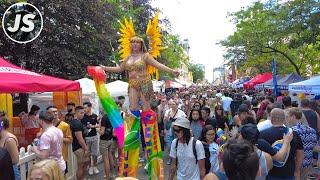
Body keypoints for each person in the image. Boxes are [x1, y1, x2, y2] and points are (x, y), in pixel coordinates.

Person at [258, 108, 304, 180]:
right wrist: (297, 171)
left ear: (271, 118)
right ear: (284, 119)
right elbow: (300, 153)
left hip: (271, 173)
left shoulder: (263, 134)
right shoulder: (293, 133)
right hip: (289, 171)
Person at [286, 107, 317, 179]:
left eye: (288, 117)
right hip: (308, 162)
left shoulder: (292, 131)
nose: (287, 119)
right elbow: (314, 146)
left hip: (296, 163)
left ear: (293, 116)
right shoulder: (311, 130)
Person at [47, 106, 73, 174]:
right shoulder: (46, 126)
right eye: (52, 112)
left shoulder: (65, 125)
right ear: (48, 114)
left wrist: (59, 137)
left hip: (61, 157)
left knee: (62, 176)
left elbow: (70, 140)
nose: (55, 113)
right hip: (49, 157)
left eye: (56, 111)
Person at [164, 99, 186, 165]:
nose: (172, 106)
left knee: (177, 144)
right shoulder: (168, 111)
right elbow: (165, 120)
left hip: (177, 131)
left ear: (177, 105)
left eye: (174, 104)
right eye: (171, 104)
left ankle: (177, 159)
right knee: (170, 145)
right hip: (169, 130)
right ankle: (171, 158)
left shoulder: (181, 112)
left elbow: (185, 120)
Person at [70, 106, 89, 180]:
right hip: (79, 147)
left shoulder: (77, 122)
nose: (83, 114)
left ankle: (83, 178)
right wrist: (86, 149)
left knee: (86, 162)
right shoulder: (76, 123)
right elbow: (80, 139)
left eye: (83, 113)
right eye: (81, 113)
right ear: (76, 113)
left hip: (79, 146)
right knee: (81, 166)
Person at [82, 102, 100, 175]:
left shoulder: (95, 116)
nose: (84, 109)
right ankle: (90, 167)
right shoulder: (83, 117)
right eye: (84, 108)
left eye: (85, 107)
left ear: (90, 107)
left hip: (94, 137)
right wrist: (86, 128)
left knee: (94, 153)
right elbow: (81, 126)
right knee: (88, 154)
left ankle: (95, 166)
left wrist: (93, 126)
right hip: (86, 138)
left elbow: (99, 124)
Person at [99, 114, 116, 179]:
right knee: (110, 156)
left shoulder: (104, 117)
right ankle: (112, 174)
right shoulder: (112, 116)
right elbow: (113, 131)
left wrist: (97, 129)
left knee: (105, 159)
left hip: (104, 141)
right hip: (110, 139)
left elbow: (102, 132)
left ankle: (107, 177)